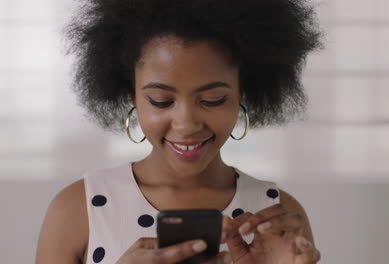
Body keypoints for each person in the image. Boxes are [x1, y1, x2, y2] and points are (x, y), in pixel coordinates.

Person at [36, 0, 323, 263]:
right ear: (132, 95)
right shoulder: (76, 210)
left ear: (242, 94)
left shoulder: (278, 216)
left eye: (213, 100)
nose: (186, 124)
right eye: (161, 101)